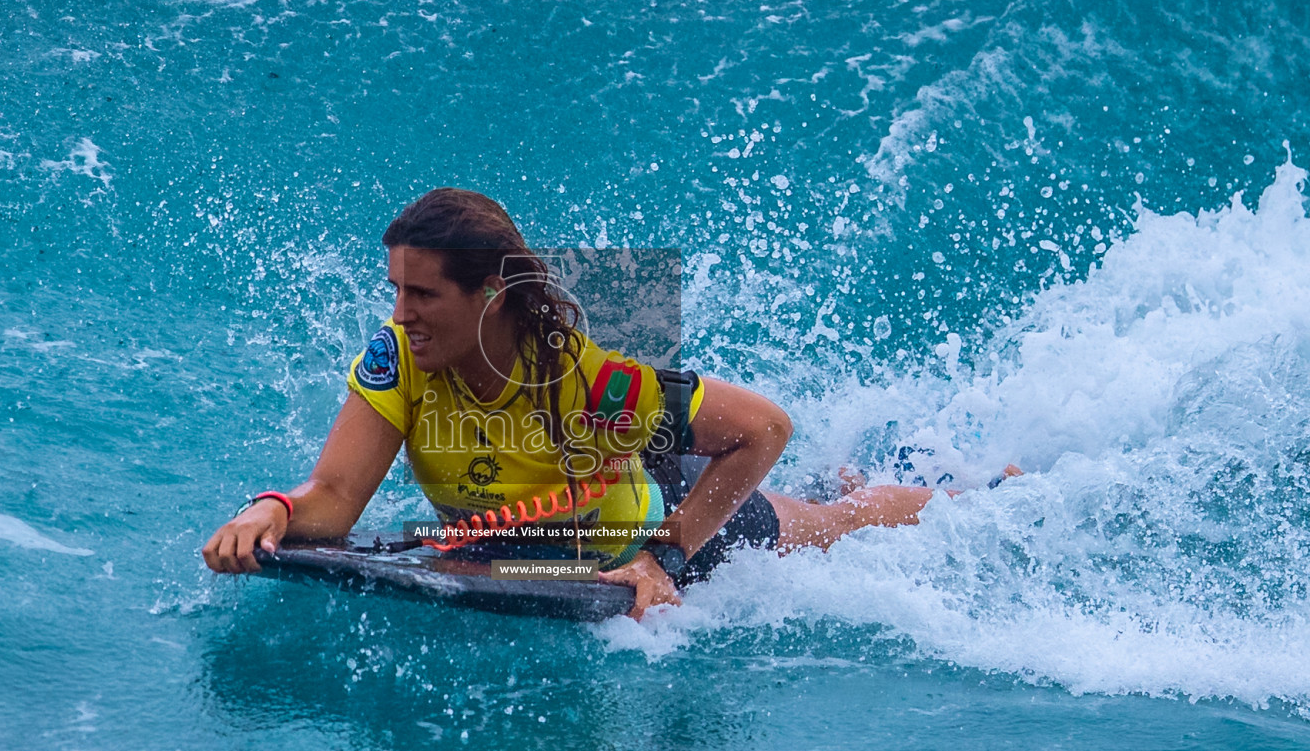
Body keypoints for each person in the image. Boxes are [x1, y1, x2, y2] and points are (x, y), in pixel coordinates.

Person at [203, 189, 1019, 619]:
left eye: (422, 294)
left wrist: (665, 558)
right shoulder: (400, 361)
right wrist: (272, 510)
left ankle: (972, 492)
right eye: (395, 291)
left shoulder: (588, 382)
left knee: (826, 526)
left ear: (490, 296)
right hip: (542, 529)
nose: (400, 313)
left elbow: (766, 427)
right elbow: (338, 500)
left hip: (654, 523)